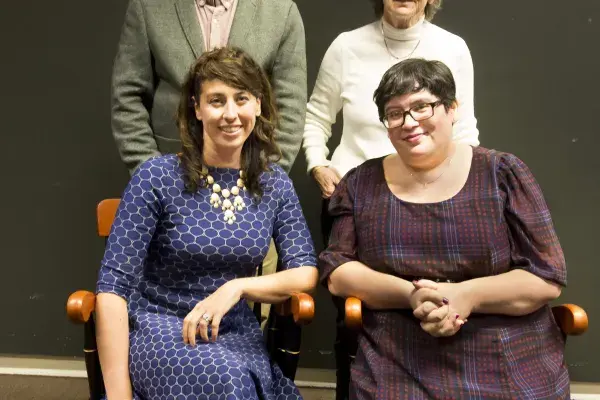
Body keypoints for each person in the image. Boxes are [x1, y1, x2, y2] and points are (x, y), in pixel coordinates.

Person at [320, 58, 569, 399]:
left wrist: (466, 295)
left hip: (504, 344)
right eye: (395, 113)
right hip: (399, 349)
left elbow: (546, 276)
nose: (409, 122)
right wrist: (412, 294)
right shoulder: (361, 183)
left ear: (452, 109)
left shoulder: (502, 173)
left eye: (422, 107)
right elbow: (337, 269)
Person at [96, 47, 318, 400]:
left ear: (258, 105)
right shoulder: (156, 177)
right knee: (226, 381)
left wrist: (236, 289)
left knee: (233, 378)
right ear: (197, 109)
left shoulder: (273, 183)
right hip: (159, 329)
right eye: (217, 101)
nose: (231, 114)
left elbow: (305, 271)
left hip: (233, 332)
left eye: (241, 99)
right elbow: (111, 289)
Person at [302, 1, 479, 397]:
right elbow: (315, 117)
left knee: (433, 304)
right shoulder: (346, 46)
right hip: (356, 205)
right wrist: (318, 164)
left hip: (436, 202)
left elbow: (464, 127)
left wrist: (462, 190)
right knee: (356, 318)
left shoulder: (453, 47)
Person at [111, 0, 308, 325]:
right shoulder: (148, 7)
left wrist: (256, 184)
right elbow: (127, 96)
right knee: (158, 316)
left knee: (237, 332)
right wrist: (162, 183)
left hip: (247, 199)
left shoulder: (281, 11)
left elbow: (291, 103)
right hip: (173, 198)